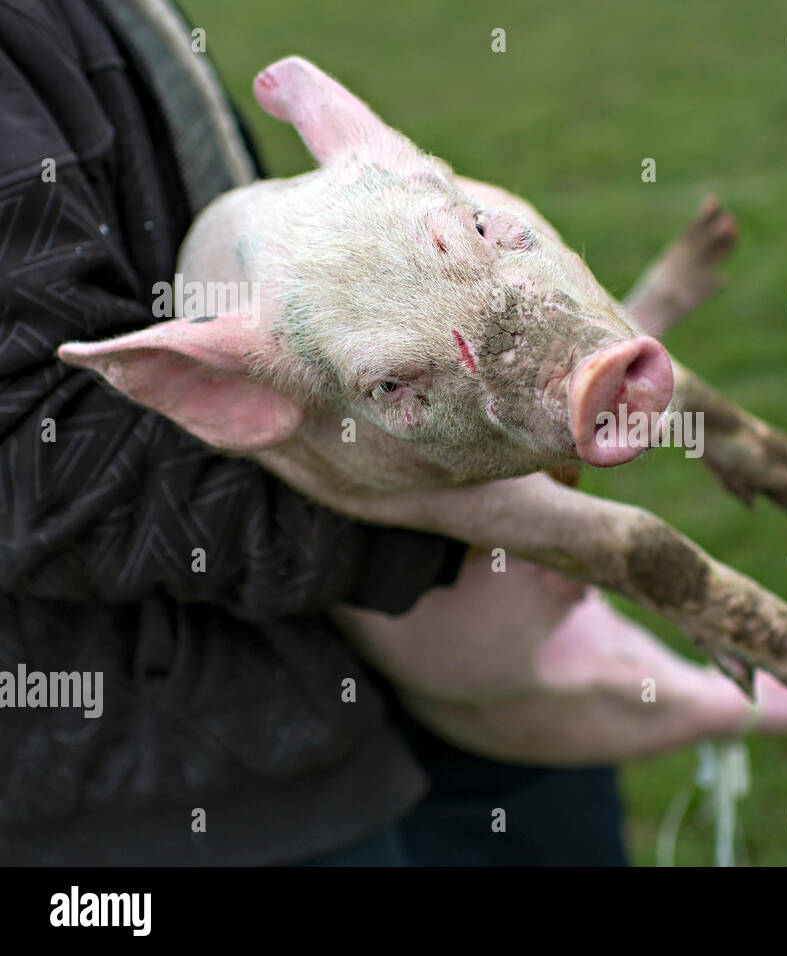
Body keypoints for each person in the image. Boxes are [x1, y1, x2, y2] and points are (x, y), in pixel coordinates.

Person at [0, 0, 626, 865]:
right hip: (164, 770)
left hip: (308, 663)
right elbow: (42, 464)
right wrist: (439, 527)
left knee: (545, 800)